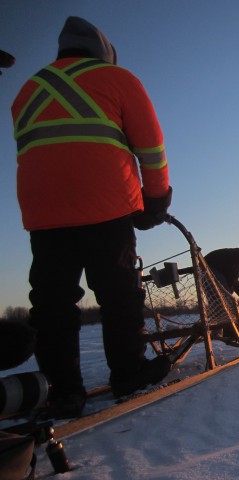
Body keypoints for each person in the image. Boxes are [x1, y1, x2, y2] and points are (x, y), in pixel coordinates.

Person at [11, 16, 173, 418]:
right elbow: (150, 148)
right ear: (103, 52)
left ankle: (64, 391)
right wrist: (154, 202)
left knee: (52, 304)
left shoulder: (28, 90)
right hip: (106, 208)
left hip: (45, 214)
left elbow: (39, 151)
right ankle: (129, 373)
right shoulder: (117, 79)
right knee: (119, 296)